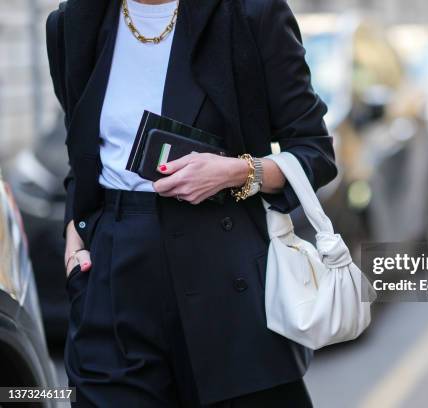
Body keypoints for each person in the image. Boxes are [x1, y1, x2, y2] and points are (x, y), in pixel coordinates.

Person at [46, 0, 337, 406]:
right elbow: (82, 150)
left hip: (225, 270)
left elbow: (315, 152)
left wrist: (238, 172)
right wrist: (73, 234)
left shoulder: (250, 13)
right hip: (114, 273)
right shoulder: (73, 21)